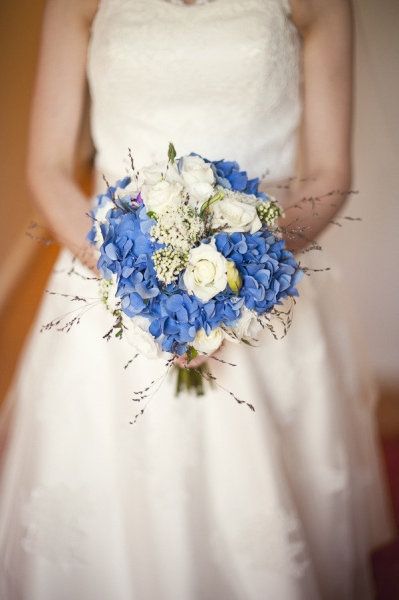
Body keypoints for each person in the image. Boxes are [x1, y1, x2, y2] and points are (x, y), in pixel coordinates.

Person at [0, 0, 394, 598]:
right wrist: (137, 286)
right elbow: (49, 165)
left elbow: (329, 174)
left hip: (264, 288)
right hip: (111, 279)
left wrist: (241, 274)